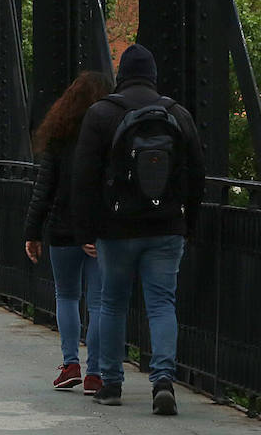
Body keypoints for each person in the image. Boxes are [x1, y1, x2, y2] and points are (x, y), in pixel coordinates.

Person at [72, 44, 205, 414]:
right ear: (153, 75)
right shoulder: (177, 114)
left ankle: (111, 383)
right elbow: (197, 174)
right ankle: (163, 380)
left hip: (116, 229)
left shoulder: (101, 114)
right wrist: (188, 224)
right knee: (162, 304)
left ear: (122, 74)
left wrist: (85, 230)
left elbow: (83, 176)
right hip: (166, 228)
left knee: (113, 304)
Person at [23, 71, 112, 394]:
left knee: (68, 295)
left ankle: (70, 363)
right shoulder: (108, 136)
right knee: (100, 301)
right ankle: (96, 372)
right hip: (98, 232)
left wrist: (32, 231)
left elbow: (43, 188)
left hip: (62, 228)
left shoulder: (59, 136)